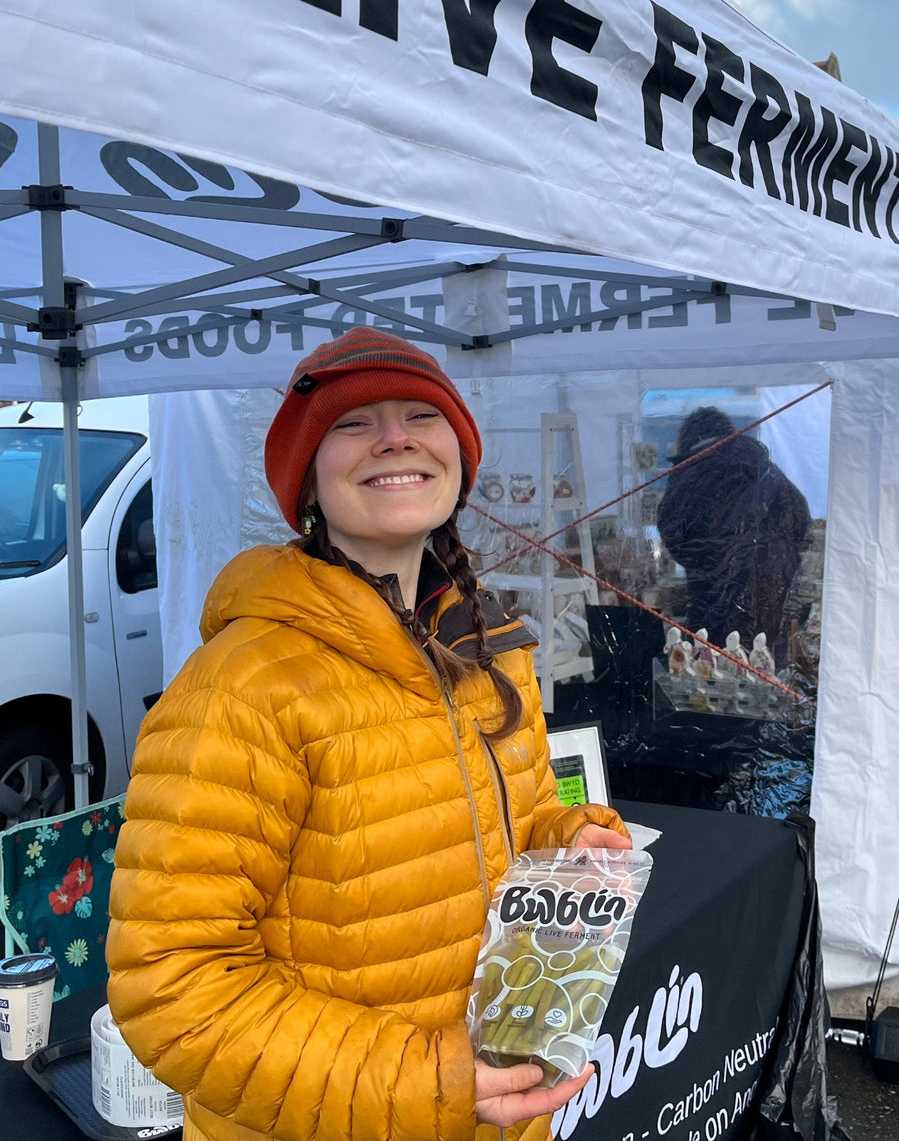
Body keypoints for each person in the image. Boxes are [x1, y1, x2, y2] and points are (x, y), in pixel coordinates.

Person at [106, 327, 630, 1141]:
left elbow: (507, 836)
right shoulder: (245, 687)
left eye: (423, 415)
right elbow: (173, 990)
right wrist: (432, 1082)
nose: (395, 437)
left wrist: (574, 841)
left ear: (458, 459)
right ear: (306, 482)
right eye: (354, 423)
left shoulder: (490, 648)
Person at [656, 406, 810, 666]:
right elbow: (801, 522)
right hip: (774, 596)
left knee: (716, 673)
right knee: (766, 668)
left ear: (687, 439)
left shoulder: (688, 475)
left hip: (713, 600)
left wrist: (714, 560)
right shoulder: (763, 467)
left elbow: (674, 537)